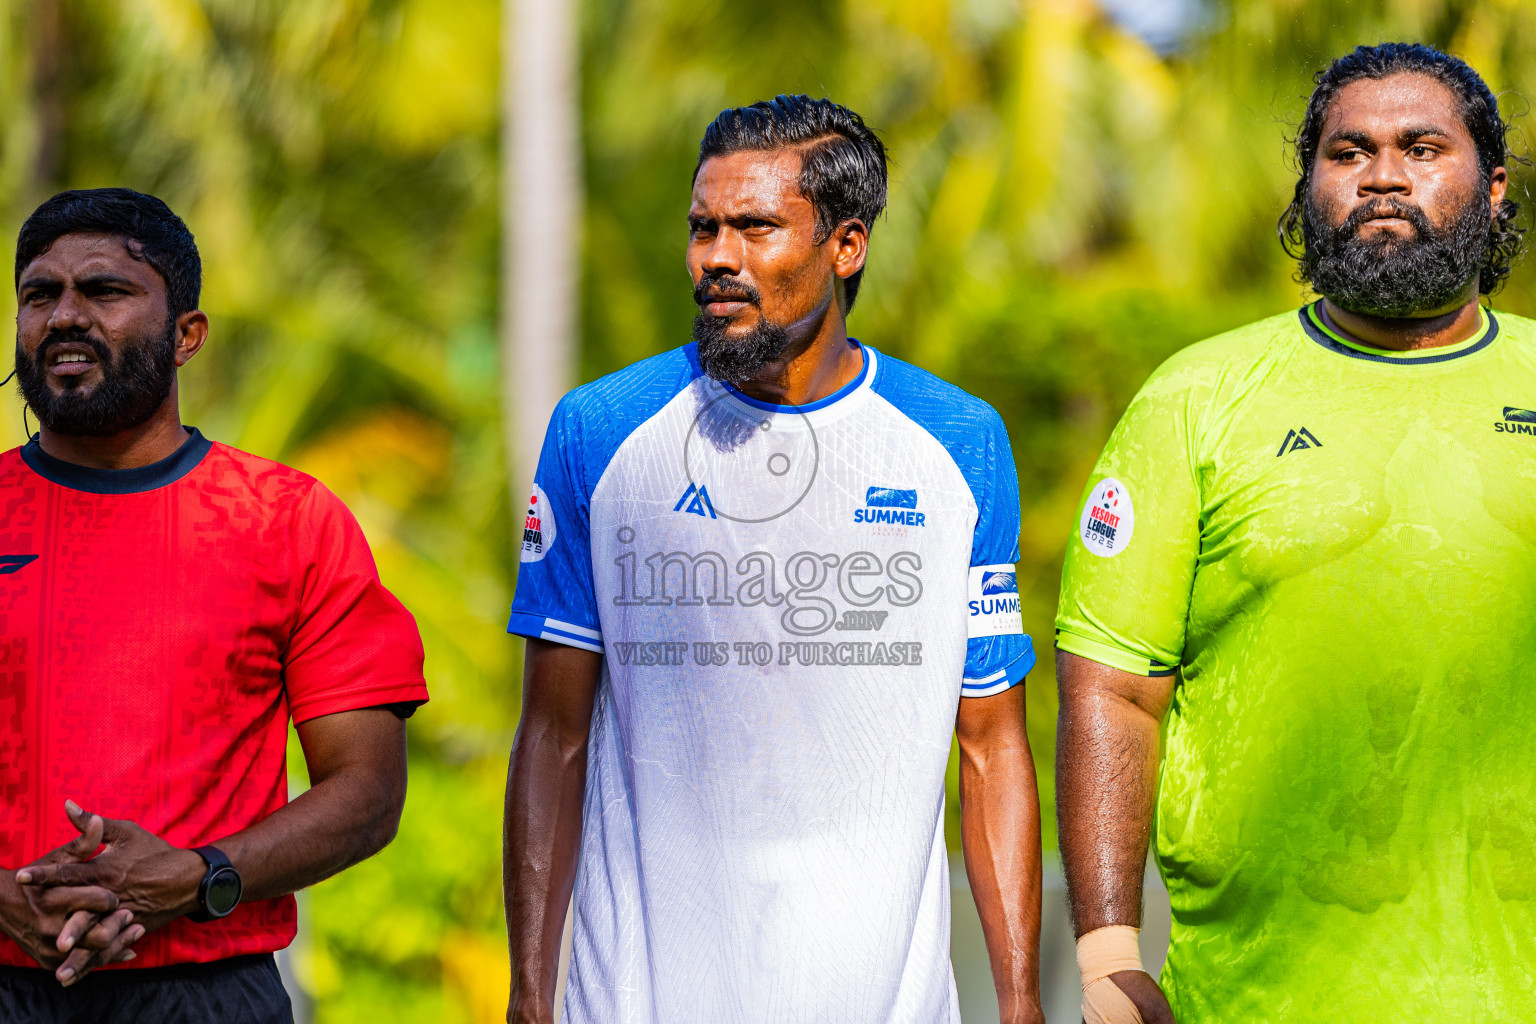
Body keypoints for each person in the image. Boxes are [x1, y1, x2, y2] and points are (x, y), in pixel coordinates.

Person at [502, 95, 1043, 1023]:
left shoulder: (960, 444)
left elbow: (991, 743)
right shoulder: (599, 431)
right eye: (704, 227)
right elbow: (553, 733)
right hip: (634, 1000)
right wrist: (528, 996)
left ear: (846, 246)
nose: (718, 256)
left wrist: (1022, 1002)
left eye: (756, 227)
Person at [1055, 43, 1536, 1024]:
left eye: (1421, 147)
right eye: (1348, 150)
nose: (1384, 174)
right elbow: (1112, 687)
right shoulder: (1194, 399)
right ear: (1308, 188)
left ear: (1492, 191)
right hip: (1246, 999)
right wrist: (1108, 959)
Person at [0, 188, 429, 1023]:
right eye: (39, 294)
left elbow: (368, 790)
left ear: (187, 335)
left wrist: (198, 877)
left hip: (208, 995)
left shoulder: (290, 521)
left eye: (106, 291)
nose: (65, 316)